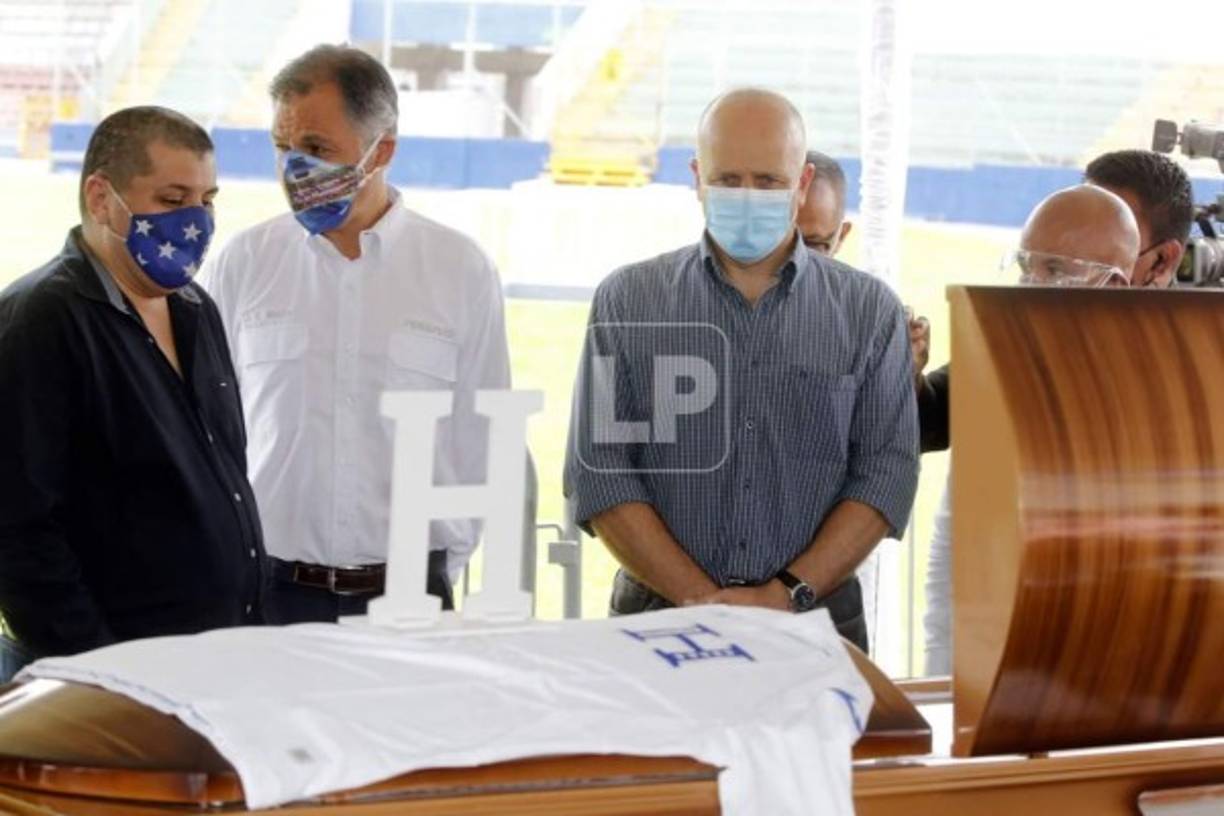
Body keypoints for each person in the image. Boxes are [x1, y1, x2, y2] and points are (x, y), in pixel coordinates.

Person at [564, 88, 920, 653]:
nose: (747, 196)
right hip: (656, 621)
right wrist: (698, 600)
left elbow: (884, 475)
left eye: (769, 181)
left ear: (801, 186)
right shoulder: (629, 300)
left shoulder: (869, 311)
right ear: (696, 177)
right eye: (728, 180)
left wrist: (785, 594)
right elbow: (603, 472)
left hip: (816, 623)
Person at [201, 45, 511, 624]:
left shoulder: (459, 268)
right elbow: (209, 431)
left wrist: (438, 566)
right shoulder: (243, 262)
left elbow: (481, 439)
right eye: (281, 148)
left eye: (316, 149)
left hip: (409, 598)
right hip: (267, 591)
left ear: (382, 150)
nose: (294, 169)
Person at [0, 106, 265, 681]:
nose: (195, 221)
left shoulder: (196, 308)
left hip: (212, 667)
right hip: (106, 683)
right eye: (172, 201)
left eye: (207, 200)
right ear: (101, 198)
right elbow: (19, 527)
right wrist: (98, 669)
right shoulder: (42, 318)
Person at [922, 183, 1140, 675]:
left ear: (1114, 286)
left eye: (1056, 270)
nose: (1030, 282)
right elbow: (954, 563)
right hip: (986, 670)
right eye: (1026, 265)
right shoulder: (992, 365)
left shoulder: (1167, 391)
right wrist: (945, 672)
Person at [915, 149, 1192, 453]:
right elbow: (933, 416)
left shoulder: (1197, 365)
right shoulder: (1026, 333)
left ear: (1162, 262)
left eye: (1118, 226)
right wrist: (910, 377)